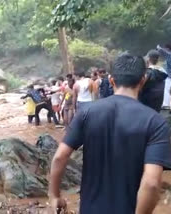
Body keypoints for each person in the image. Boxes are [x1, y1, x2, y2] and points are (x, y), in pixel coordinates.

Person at [49, 53, 171, 214]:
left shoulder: (87, 113)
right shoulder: (155, 122)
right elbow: (152, 183)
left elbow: (60, 157)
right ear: (142, 81)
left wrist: (54, 195)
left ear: (112, 80)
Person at [157, 44, 171, 109]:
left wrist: (159, 47)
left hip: (169, 77)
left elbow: (161, 50)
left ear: (168, 49)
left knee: (167, 91)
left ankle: (166, 105)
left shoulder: (169, 55)